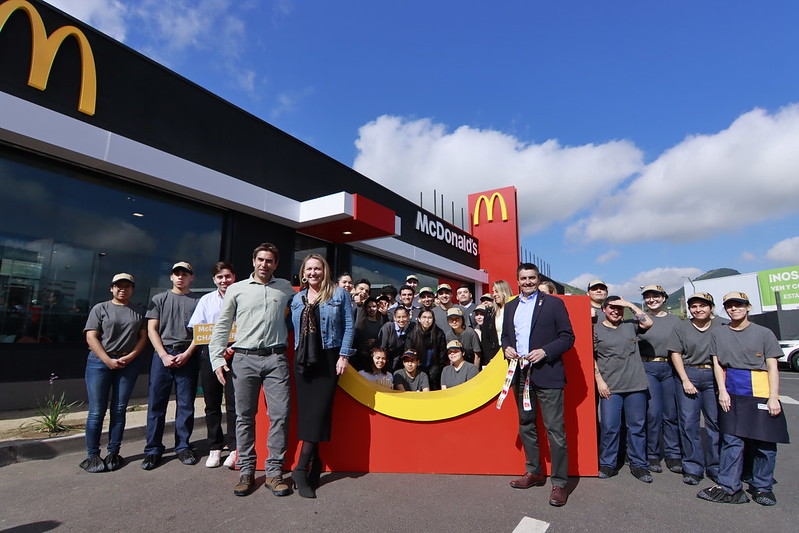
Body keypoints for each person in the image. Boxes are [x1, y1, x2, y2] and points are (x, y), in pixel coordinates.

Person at [208, 243, 296, 497]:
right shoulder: (237, 289)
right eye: (260, 259)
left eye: (269, 261)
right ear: (253, 261)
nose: (264, 264)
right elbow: (222, 326)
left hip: (276, 359)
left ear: (275, 264)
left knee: (280, 415)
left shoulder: (285, 289)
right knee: (244, 416)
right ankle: (246, 470)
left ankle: (274, 472)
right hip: (244, 359)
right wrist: (217, 360)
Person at [697, 292, 789, 506]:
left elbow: (772, 367)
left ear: (748, 307)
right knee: (731, 440)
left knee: (764, 442)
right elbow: (717, 363)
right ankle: (729, 487)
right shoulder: (719, 334)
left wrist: (773, 397)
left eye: (738, 305)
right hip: (732, 389)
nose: (734, 309)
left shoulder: (764, 333)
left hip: (760, 388)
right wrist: (722, 391)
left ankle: (762, 487)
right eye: (729, 306)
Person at [501, 263, 575, 507]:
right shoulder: (510, 306)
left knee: (555, 430)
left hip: (548, 374)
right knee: (526, 424)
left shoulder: (553, 303)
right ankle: (534, 472)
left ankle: (560, 483)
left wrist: (545, 351)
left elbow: (567, 337)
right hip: (520, 375)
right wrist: (507, 348)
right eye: (523, 278)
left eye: (532, 278)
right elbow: (505, 337)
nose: (528, 282)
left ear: (537, 278)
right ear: (517, 280)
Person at [290, 253, 355, 499]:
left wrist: (344, 355)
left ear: (324, 270)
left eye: (318, 268)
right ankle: (314, 466)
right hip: (303, 361)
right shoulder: (296, 299)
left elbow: (349, 325)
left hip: (328, 359)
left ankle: (299, 468)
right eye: (309, 269)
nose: (314, 272)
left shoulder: (339, 294)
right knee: (309, 415)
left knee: (319, 412)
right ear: (303, 272)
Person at [79, 273, 147, 473]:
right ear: (111, 288)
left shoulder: (139, 312)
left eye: (127, 286)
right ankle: (92, 455)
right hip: (99, 362)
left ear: (132, 289)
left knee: (119, 409)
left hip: (128, 362)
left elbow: (143, 337)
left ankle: (113, 453)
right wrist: (107, 360)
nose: (122, 289)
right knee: (97, 411)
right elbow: (91, 337)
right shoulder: (100, 308)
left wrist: (131, 356)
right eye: (118, 286)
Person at [141, 262, 202, 471]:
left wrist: (187, 353)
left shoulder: (198, 301)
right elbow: (151, 330)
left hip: (187, 355)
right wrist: (163, 355)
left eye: (185, 274)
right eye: (177, 274)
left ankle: (183, 446)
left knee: (186, 404)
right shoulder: (159, 299)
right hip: (163, 355)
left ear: (191, 278)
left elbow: (201, 332)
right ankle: (153, 450)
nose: (180, 278)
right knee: (156, 404)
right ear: (171, 277)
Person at [593, 295, 654, 483]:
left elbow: (648, 322)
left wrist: (629, 304)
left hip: (635, 385)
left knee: (636, 427)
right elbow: (591, 357)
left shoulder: (630, 325)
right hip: (610, 387)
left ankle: (638, 464)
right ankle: (608, 463)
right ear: (604, 310)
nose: (615, 311)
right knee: (610, 426)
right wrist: (599, 381)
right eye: (611, 307)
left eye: (619, 308)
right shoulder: (595, 330)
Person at [187, 262, 237, 468]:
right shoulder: (206, 300)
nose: (224, 281)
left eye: (227, 276)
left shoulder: (242, 297)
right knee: (212, 403)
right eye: (220, 278)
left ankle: (235, 447)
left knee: (235, 403)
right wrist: (217, 349)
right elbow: (198, 329)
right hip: (210, 355)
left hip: (237, 354)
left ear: (234, 277)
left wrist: (232, 347)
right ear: (214, 280)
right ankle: (215, 447)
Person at [669, 292, 723, 485]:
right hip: (689, 374)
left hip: (714, 376)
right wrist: (685, 380)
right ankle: (693, 467)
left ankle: (716, 466)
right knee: (689, 423)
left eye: (703, 306)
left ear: (711, 308)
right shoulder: (681, 326)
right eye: (694, 306)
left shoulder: (722, 325)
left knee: (715, 423)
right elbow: (675, 353)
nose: (698, 309)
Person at [637, 284, 681, 474]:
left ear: (664, 298)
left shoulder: (675, 320)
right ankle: (652, 454)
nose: (652, 300)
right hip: (648, 368)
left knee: (671, 414)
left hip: (670, 367)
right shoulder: (639, 320)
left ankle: (673, 454)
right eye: (648, 297)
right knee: (653, 413)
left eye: (656, 296)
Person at [405, 308, 446, 390]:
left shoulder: (439, 333)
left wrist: (434, 372)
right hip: (416, 370)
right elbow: (408, 353)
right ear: (419, 319)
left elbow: (442, 355)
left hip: (435, 370)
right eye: (424, 317)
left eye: (430, 318)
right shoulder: (412, 334)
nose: (427, 320)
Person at [353, 296, 385, 371]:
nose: (371, 309)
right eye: (368, 307)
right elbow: (358, 327)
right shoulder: (363, 320)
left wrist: (376, 341)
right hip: (362, 355)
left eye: (374, 306)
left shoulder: (381, 320)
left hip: (377, 357)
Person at [378, 306, 414, 371]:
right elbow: (383, 347)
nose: (401, 320)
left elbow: (398, 352)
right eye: (399, 317)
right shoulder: (388, 327)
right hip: (381, 361)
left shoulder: (406, 331)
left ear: (408, 317)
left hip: (394, 364)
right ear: (394, 318)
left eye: (404, 317)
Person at [474, 294, 500, 368]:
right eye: (477, 314)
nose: (479, 317)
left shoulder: (495, 326)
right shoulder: (474, 329)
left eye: (482, 314)